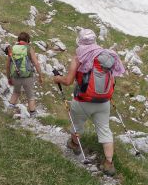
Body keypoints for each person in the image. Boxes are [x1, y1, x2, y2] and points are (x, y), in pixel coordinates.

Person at [53, 28, 125, 176]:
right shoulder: (106, 56)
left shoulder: (79, 56)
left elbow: (68, 81)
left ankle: (74, 144)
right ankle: (109, 163)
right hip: (103, 101)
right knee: (105, 130)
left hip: (83, 100)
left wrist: (57, 79)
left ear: (80, 40)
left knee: (77, 124)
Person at [6, 32, 43, 117]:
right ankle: (33, 116)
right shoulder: (29, 48)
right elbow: (36, 63)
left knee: (16, 92)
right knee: (30, 96)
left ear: (18, 40)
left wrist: (9, 78)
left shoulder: (12, 49)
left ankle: (8, 113)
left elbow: (8, 65)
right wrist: (40, 75)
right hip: (27, 76)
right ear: (27, 40)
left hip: (15, 76)